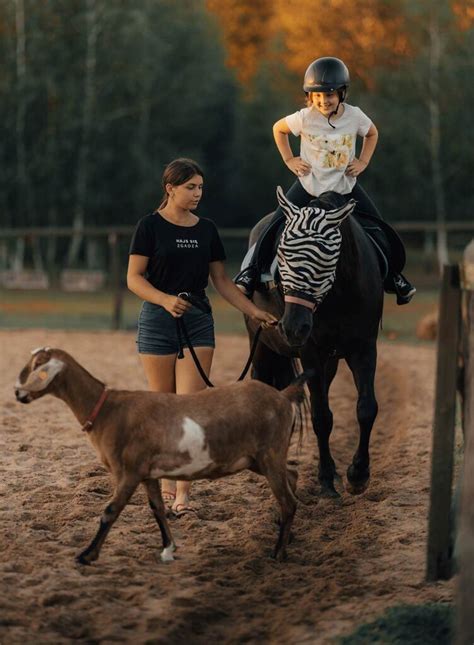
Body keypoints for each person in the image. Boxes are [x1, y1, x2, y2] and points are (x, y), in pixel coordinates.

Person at [127, 158, 276, 517]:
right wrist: (164, 300)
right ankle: (163, 487)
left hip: (197, 322)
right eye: (191, 187)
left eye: (200, 188)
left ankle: (182, 496)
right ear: (170, 188)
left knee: (189, 408)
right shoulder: (149, 227)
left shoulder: (206, 229)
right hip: (157, 321)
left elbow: (221, 282)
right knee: (162, 408)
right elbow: (134, 278)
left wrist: (254, 312)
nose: (198, 194)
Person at [234, 56, 416, 305]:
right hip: (309, 186)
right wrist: (290, 159)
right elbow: (278, 129)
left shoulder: (355, 116)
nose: (323, 101)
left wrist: (363, 162)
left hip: (345, 188)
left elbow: (372, 133)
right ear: (310, 96)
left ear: (342, 93)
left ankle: (394, 278)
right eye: (316, 96)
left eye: (329, 94)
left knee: (379, 228)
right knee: (273, 225)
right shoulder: (305, 117)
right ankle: (251, 272)